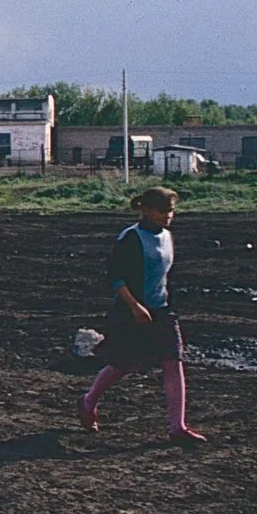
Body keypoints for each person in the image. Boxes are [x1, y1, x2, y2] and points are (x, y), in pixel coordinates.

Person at [79, 186, 205, 444]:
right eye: (162, 211)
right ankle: (88, 401)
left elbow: (165, 276)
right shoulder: (130, 237)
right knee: (122, 363)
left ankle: (177, 427)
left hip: (162, 310)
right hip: (131, 311)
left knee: (173, 361)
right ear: (145, 210)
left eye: (171, 211)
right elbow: (116, 277)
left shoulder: (168, 237)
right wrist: (135, 307)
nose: (168, 216)